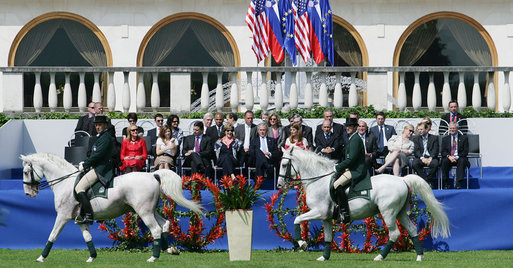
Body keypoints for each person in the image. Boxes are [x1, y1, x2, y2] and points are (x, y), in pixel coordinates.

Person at [75, 115, 114, 225]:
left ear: (105, 125)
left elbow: (97, 155)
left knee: (79, 187)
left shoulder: (105, 138)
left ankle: (88, 215)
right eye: (96, 125)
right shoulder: (100, 137)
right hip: (96, 166)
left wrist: (85, 164)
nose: (97, 127)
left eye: (100, 125)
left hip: (100, 169)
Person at [331, 117, 369, 224]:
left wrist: (337, 167)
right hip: (350, 168)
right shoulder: (351, 138)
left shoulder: (355, 139)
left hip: (356, 170)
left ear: (355, 128)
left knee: (337, 185)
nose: (348, 128)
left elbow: (351, 159)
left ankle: (344, 213)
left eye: (350, 126)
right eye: (347, 126)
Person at [441, 122, 469, 189]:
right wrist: (449, 156)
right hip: (449, 157)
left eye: (453, 128)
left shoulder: (464, 138)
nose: (452, 130)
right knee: (444, 161)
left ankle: (458, 183)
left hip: (459, 157)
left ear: (457, 129)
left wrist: (456, 157)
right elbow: (443, 152)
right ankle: (447, 182)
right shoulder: (445, 139)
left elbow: (465, 151)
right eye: (450, 128)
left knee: (462, 161)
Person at [412, 122, 439, 187]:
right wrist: (422, 158)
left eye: (421, 129)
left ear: (426, 129)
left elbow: (435, 150)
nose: (419, 131)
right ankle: (426, 180)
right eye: (418, 129)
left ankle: (428, 179)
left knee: (435, 164)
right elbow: (416, 151)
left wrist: (430, 158)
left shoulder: (434, 138)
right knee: (415, 163)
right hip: (421, 158)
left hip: (431, 158)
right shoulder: (416, 138)